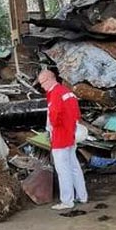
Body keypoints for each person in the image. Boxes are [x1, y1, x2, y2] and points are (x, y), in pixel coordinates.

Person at [38, 69, 88, 211]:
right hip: (71, 135)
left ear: (49, 79)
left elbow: (54, 116)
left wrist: (50, 131)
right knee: (74, 167)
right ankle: (82, 196)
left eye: (42, 83)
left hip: (60, 136)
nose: (42, 86)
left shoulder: (55, 94)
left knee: (62, 170)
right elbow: (77, 114)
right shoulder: (68, 92)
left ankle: (67, 201)